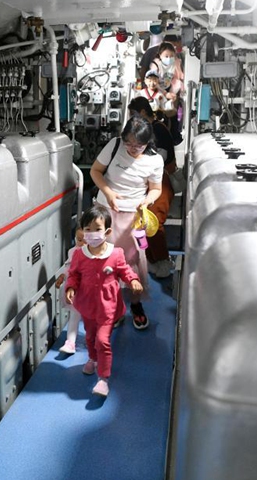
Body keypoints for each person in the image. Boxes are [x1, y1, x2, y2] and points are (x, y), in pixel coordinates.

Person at [89, 116, 163, 329]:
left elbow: (156, 189)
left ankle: (136, 303)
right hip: (105, 213)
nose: (132, 148)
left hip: (134, 218)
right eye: (128, 143)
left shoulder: (155, 160)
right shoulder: (114, 146)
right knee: (104, 261)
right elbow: (95, 171)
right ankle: (112, 306)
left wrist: (146, 201)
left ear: (147, 142)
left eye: (138, 145)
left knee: (133, 261)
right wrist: (109, 193)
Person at [65, 206, 143, 397]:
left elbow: (124, 270)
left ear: (107, 232)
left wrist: (133, 280)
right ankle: (92, 359)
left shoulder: (115, 253)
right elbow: (74, 274)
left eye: (97, 229)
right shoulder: (79, 254)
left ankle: (103, 378)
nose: (92, 233)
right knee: (90, 337)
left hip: (108, 306)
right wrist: (71, 287)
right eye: (88, 229)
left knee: (102, 340)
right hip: (87, 305)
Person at [128, 97, 178, 278]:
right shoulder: (147, 130)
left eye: (133, 114)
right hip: (147, 180)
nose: (132, 118)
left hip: (161, 180)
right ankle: (150, 260)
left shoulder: (158, 129)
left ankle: (163, 261)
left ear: (142, 112)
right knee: (143, 223)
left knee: (154, 222)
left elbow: (161, 156)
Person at [55, 229, 86, 354]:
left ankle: (95, 340)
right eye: (79, 240)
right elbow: (68, 267)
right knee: (74, 315)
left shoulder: (95, 253)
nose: (82, 243)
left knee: (91, 319)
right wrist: (63, 276)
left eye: (85, 240)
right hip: (77, 291)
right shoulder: (73, 252)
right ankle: (70, 343)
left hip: (90, 291)